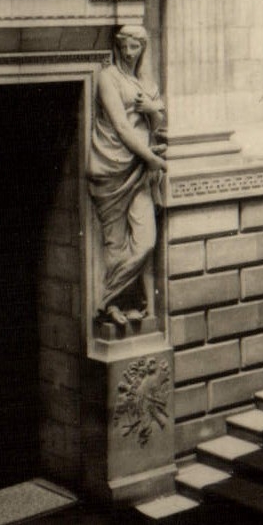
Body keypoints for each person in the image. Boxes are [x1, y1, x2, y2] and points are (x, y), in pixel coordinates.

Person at [88, 25, 167, 329]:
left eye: (135, 46)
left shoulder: (144, 83)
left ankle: (105, 298)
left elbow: (158, 122)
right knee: (115, 244)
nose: (129, 52)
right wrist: (153, 158)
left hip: (141, 173)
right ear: (119, 47)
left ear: (142, 48)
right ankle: (116, 305)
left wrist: (152, 109)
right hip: (113, 167)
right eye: (126, 46)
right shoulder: (108, 78)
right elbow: (121, 127)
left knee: (145, 242)